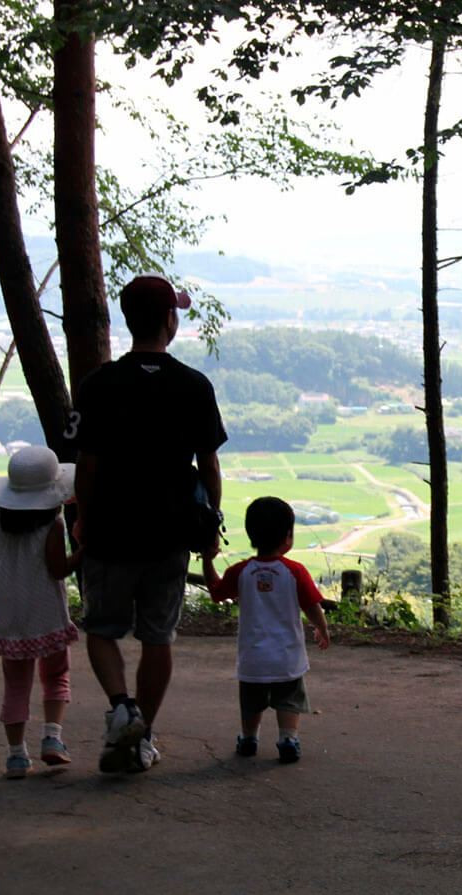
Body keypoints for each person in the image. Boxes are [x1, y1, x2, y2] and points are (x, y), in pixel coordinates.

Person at [71, 272, 227, 774]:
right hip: (170, 531)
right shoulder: (193, 386)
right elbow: (209, 463)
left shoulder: (97, 385)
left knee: (102, 628)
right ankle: (143, 738)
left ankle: (122, 709)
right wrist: (211, 525)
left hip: (110, 529)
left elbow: (87, 464)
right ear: (168, 320)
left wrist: (82, 519)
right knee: (158, 636)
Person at [201, 497, 330, 763]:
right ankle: (288, 739)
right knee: (289, 700)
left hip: (253, 658)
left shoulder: (241, 571)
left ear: (251, 535)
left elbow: (216, 592)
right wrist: (322, 628)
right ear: (287, 538)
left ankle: (249, 738)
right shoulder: (295, 571)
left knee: (251, 702)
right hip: (286, 656)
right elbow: (313, 606)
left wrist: (207, 561)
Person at [0, 446, 82, 779]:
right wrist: (82, 552)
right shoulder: (52, 525)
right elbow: (58, 569)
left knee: (15, 685)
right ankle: (52, 739)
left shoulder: (1, 519)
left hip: (10, 613)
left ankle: (16, 756)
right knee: (55, 675)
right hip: (45, 613)